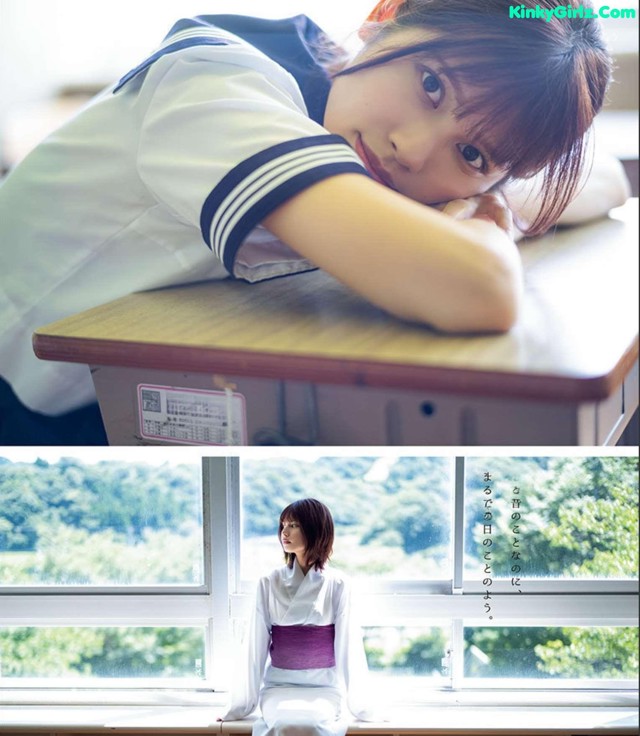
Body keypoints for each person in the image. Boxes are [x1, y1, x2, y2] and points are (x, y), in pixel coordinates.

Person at [0, 1, 628, 442]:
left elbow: (602, 180)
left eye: (471, 152)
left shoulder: (362, 133)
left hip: (91, 386)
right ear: (385, 15)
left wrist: (491, 192)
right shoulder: (219, 86)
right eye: (432, 85)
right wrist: (489, 210)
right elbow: (480, 290)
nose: (411, 149)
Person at [218, 498, 375, 736]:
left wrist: (362, 704)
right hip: (280, 685)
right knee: (279, 724)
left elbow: (349, 646)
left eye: (294, 525)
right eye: (283, 525)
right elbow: (255, 644)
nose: (285, 533)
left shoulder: (337, 584)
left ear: (315, 531)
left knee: (319, 727)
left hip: (323, 686)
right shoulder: (268, 582)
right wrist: (240, 704)